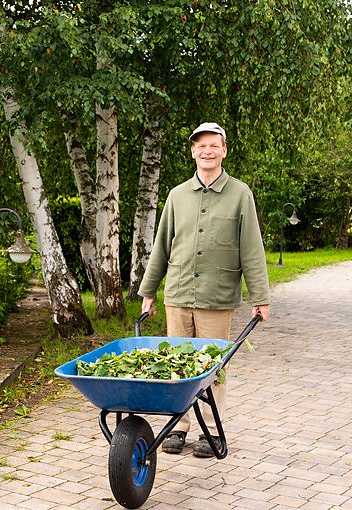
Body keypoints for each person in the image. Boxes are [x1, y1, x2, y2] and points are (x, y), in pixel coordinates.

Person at [138, 122, 270, 458]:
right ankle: (178, 428)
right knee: (177, 363)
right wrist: (148, 292)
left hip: (217, 297)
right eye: (201, 146)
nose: (207, 151)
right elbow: (161, 246)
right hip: (179, 295)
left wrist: (260, 298)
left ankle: (211, 433)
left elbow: (251, 249)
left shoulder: (240, 194)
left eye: (214, 145)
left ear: (224, 150)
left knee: (213, 367)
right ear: (193, 151)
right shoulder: (177, 195)